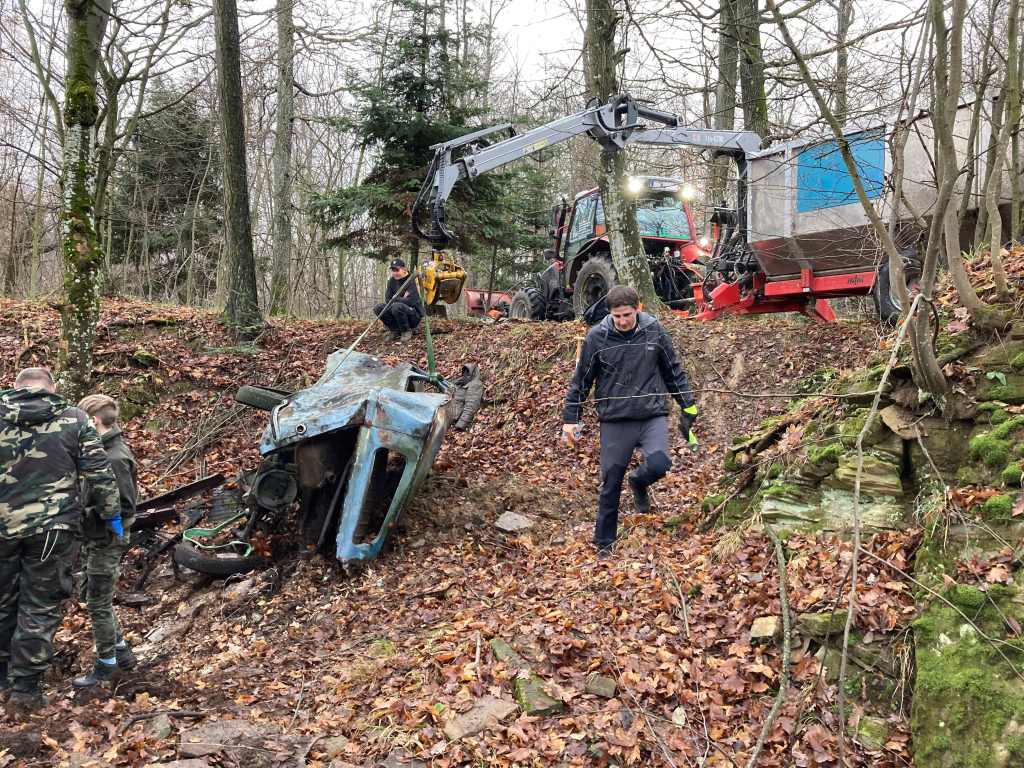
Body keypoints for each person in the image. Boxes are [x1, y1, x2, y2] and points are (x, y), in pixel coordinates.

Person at [0, 368, 120, 714]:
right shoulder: (75, 419)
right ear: (51, 389)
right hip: (52, 530)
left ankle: (3, 678)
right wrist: (112, 515)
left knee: (3, 601)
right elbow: (99, 473)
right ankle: (25, 690)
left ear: (16, 388)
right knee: (39, 606)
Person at [561, 286, 697, 556]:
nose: (622, 321)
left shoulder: (654, 330)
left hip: (651, 414)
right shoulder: (597, 337)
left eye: (627, 315)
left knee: (659, 464)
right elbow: (582, 381)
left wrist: (687, 405)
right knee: (611, 482)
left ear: (638, 308)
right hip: (615, 418)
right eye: (617, 316)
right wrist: (570, 418)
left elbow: (673, 370)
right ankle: (604, 544)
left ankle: (638, 482)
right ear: (609, 314)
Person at [72, 394, 139, 689]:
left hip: (107, 540)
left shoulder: (114, 458)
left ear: (94, 421)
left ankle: (106, 665)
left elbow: (124, 507)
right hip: (96, 537)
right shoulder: (101, 451)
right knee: (91, 595)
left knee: (98, 603)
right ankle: (121, 650)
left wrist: (79, 513)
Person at [374, 259, 423, 342]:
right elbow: (388, 300)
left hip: (413, 315)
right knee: (378, 308)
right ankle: (395, 330)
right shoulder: (391, 281)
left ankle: (406, 331)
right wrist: (403, 299)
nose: (394, 273)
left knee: (396, 306)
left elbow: (412, 301)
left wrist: (396, 299)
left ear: (404, 269)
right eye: (393, 270)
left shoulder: (412, 280)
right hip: (397, 313)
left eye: (397, 270)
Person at [450, 362, 483, 431]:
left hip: (449, 418)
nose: (465, 376)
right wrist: (457, 382)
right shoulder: (460, 384)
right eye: (464, 373)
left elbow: (471, 405)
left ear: (473, 374)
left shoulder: (475, 384)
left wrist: (461, 425)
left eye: (468, 373)